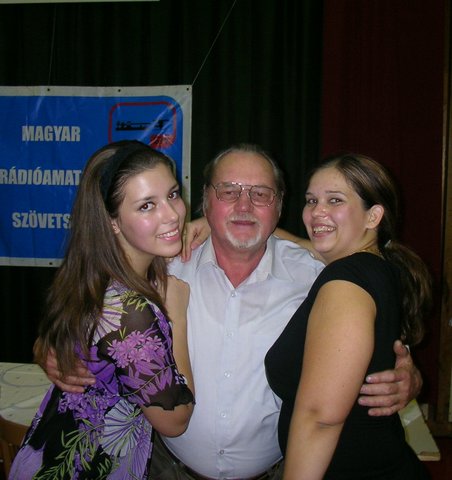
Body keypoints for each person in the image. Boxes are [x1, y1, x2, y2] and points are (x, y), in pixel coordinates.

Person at [43, 144, 421, 480]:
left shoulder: (316, 277)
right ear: (205, 201)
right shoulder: (162, 270)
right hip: (164, 468)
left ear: (280, 206)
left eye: (261, 194)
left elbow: (376, 334)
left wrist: (409, 374)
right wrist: (50, 347)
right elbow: (88, 313)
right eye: (228, 192)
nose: (244, 206)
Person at [9, 140, 195, 480]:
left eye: (172, 195)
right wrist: (177, 316)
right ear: (112, 222)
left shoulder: (92, 275)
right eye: (146, 206)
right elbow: (175, 419)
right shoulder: (130, 311)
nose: (172, 214)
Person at [265, 153, 432, 479]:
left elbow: (320, 418)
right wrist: (210, 225)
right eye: (311, 200)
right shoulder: (379, 268)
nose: (317, 211)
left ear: (373, 216)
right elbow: (301, 243)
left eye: (335, 200)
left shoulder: (346, 280)